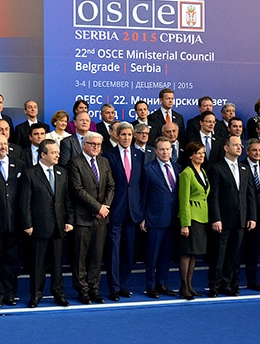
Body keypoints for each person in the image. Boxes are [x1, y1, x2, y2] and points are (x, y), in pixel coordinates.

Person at [20, 139, 71, 308]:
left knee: (57, 264)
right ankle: (36, 295)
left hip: (58, 226)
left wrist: (69, 220)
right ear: (43, 155)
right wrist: (27, 224)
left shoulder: (62, 172)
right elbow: (25, 201)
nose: (57, 155)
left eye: (57, 152)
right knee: (37, 264)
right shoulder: (30, 173)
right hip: (38, 227)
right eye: (53, 152)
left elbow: (67, 199)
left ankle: (59, 293)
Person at [67, 131, 115, 304]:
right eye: (92, 144)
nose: (96, 147)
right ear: (84, 145)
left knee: (97, 256)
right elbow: (77, 190)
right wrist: (97, 207)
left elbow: (111, 186)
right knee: (80, 257)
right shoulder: (75, 163)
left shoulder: (104, 162)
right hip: (83, 218)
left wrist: (105, 208)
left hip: (101, 218)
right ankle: (82, 290)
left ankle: (94, 289)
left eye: (98, 144)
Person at [207, 135, 257, 297]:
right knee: (219, 254)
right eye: (235, 145)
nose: (239, 148)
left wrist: (252, 217)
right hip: (223, 219)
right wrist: (216, 218)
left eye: (240, 145)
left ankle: (228, 284)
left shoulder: (245, 168)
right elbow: (213, 195)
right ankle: (214, 285)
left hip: (241, 219)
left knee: (234, 254)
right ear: (226, 148)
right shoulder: (216, 168)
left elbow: (250, 195)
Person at [101, 122, 144, 301]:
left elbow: (142, 185)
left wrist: (141, 211)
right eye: (123, 134)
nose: (126, 138)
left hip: (133, 211)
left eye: (129, 134)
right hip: (115, 210)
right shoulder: (108, 156)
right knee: (114, 251)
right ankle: (114, 287)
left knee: (128, 251)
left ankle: (123, 284)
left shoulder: (139, 155)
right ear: (117, 136)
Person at [141, 137, 181, 299]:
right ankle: (151, 286)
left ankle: (162, 284)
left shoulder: (178, 168)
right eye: (162, 149)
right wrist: (143, 217)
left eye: (168, 149)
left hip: (173, 219)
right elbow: (142, 195)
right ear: (156, 151)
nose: (165, 152)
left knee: (166, 255)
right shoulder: (148, 169)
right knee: (152, 255)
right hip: (154, 219)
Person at [0, 133, 26, 307]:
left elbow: (24, 195)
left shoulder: (19, 165)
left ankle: (10, 294)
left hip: (15, 222)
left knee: (12, 261)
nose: (3, 147)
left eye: (5, 144)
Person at [178, 141, 209, 300]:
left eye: (203, 153)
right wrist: (185, 224)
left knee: (194, 254)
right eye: (198, 153)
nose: (201, 156)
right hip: (191, 218)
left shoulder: (203, 171)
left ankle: (190, 284)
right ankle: (183, 286)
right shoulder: (187, 173)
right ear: (191, 155)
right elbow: (183, 200)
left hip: (202, 217)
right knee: (187, 253)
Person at [240, 139, 260, 291]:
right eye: (254, 150)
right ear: (247, 151)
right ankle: (251, 280)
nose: (258, 153)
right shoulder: (241, 166)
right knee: (251, 251)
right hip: (247, 215)